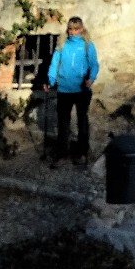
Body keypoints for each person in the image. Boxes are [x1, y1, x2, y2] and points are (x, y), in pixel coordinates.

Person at [45, 16, 99, 165]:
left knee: (82, 121)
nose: (73, 32)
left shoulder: (88, 45)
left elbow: (94, 64)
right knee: (63, 123)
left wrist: (91, 78)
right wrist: (50, 80)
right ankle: (62, 154)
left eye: (76, 29)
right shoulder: (62, 44)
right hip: (64, 89)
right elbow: (55, 63)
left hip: (82, 89)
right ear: (67, 29)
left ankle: (82, 153)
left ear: (82, 29)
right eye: (70, 29)